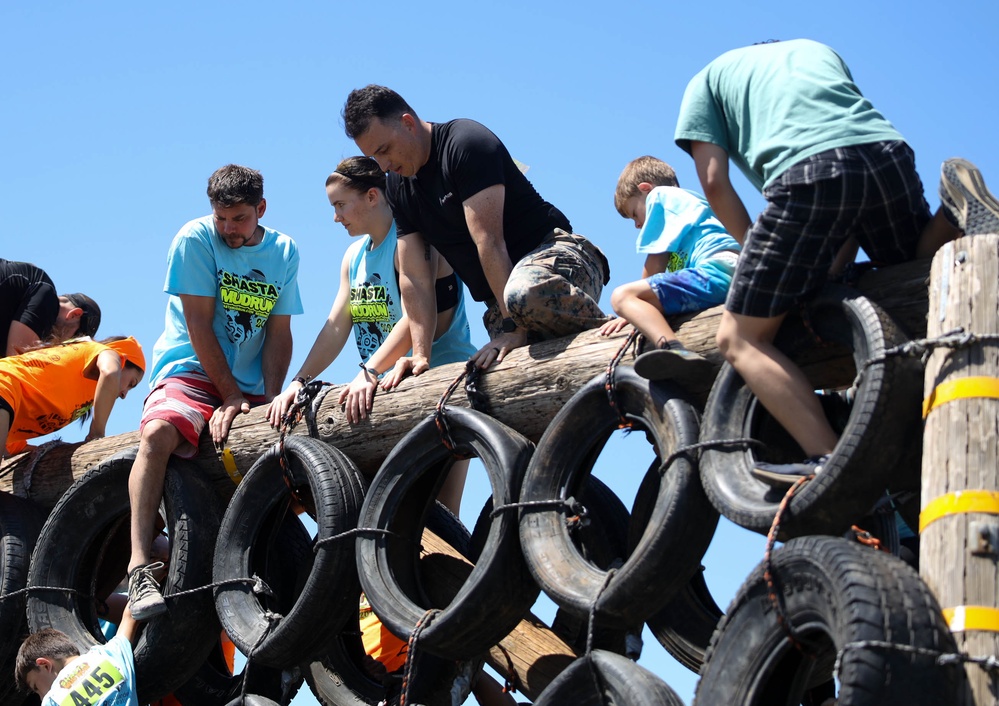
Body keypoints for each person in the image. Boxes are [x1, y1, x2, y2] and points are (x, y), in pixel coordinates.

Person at [673, 38, 999, 485]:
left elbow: (712, 180)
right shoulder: (815, 49)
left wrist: (755, 253)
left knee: (740, 339)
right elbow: (841, 211)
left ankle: (828, 460)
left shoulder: (705, 81)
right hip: (884, 152)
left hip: (807, 171)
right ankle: (952, 208)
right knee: (908, 267)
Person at [126, 164, 303, 620]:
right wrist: (227, 395)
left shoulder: (284, 251)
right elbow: (198, 325)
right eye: (221, 218)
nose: (228, 229)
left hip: (246, 389)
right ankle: (140, 566)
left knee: (285, 458)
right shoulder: (194, 239)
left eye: (239, 219)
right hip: (191, 369)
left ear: (261, 209)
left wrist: (269, 401)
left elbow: (278, 335)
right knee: (158, 434)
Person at [342, 85, 610, 374]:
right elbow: (414, 277)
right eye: (374, 157)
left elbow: (489, 240)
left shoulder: (465, 143)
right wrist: (420, 355)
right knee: (500, 380)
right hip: (503, 303)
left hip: (558, 260)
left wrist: (513, 326)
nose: (383, 165)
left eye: (384, 150)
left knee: (522, 295)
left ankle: (622, 336)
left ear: (407, 123)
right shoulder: (398, 187)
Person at [266, 156, 476, 513]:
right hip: (381, 387)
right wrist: (299, 382)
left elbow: (417, 316)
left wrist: (369, 371)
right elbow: (335, 327)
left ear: (373, 197)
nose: (336, 217)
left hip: (438, 382)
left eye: (340, 205)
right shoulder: (354, 256)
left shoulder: (414, 239)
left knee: (439, 515)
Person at [599, 155, 741, 381]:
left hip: (718, 269)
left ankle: (672, 349)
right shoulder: (686, 212)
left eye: (634, 213)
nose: (637, 225)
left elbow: (654, 264)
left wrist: (633, 308)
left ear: (646, 189)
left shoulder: (660, 196)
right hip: (732, 272)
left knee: (621, 296)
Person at [0, 336, 145, 459]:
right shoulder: (106, 352)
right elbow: (110, 373)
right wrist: (97, 433)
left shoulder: (81, 396)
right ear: (122, 361)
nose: (124, 394)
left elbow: (13, 447)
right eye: (131, 383)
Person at [15, 604, 140, 704]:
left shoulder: (53, 700)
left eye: (36, 687)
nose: (41, 697)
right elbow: (130, 615)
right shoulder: (110, 654)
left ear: (44, 665)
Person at [1, 258, 101, 357]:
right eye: (70, 340)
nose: (60, 343)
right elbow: (16, 362)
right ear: (74, 315)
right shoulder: (47, 300)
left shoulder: (30, 291)